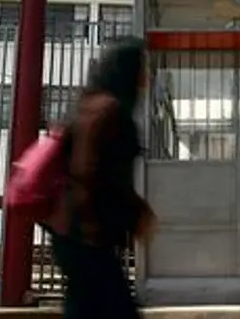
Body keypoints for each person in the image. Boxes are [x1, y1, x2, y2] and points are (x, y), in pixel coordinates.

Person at [44, 37, 156, 319]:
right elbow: (91, 173)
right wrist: (136, 214)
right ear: (129, 71)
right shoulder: (111, 111)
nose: (147, 76)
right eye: (143, 67)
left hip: (70, 234)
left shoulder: (88, 104)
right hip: (87, 236)